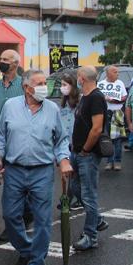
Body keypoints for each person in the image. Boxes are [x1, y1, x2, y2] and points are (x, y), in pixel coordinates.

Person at [0, 69, 73, 265]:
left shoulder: (52, 109)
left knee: (42, 219)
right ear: (26, 87)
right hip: (15, 170)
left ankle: (37, 264)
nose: (43, 87)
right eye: (38, 83)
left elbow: (61, 139)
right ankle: (27, 250)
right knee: (10, 215)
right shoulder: (10, 106)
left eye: (44, 83)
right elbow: (1, 134)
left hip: (42, 170)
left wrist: (64, 159)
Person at [0, 49, 25, 242]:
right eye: (0, 58)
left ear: (15, 64)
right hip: (2, 142)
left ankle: (24, 218)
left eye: (5, 59)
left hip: (23, 142)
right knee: (9, 187)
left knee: (25, 184)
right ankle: (11, 226)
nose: (1, 62)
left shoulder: (24, 85)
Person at [71, 66, 108, 251]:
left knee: (88, 194)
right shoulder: (85, 97)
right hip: (77, 152)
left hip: (88, 154)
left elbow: (97, 128)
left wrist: (85, 149)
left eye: (78, 76)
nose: (77, 79)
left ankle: (90, 236)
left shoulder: (96, 97)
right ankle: (97, 219)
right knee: (74, 187)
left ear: (82, 78)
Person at [58, 74, 83, 211]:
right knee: (68, 175)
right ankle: (68, 199)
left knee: (73, 176)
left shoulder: (79, 102)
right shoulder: (63, 104)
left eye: (65, 85)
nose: (62, 88)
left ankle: (73, 200)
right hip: (65, 143)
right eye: (61, 85)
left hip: (76, 143)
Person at [98, 65, 127, 170]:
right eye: (115, 72)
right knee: (107, 137)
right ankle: (109, 161)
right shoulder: (100, 84)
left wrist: (113, 100)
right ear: (108, 73)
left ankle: (117, 161)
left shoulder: (120, 83)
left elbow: (124, 97)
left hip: (117, 113)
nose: (117, 74)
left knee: (117, 139)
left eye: (117, 72)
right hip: (105, 113)